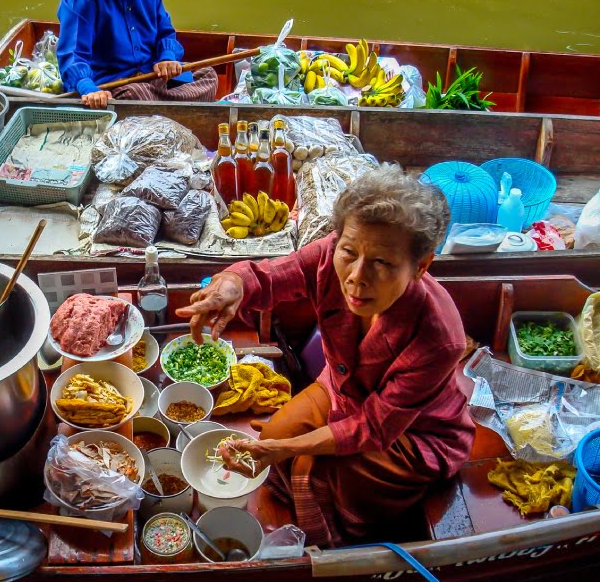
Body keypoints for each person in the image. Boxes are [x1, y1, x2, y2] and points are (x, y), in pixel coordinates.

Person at [175, 164, 475, 547]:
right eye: (349, 252)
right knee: (279, 436)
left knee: (321, 474)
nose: (356, 276)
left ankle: (338, 541)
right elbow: (269, 275)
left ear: (421, 266)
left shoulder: (438, 335)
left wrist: (283, 450)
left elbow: (374, 427)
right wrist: (231, 284)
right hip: (343, 388)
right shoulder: (334, 253)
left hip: (413, 431)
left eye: (382, 263)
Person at [56, 0, 218, 109]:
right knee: (137, 96)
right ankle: (173, 107)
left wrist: (167, 58)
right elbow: (72, 56)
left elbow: (165, 31)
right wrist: (89, 90)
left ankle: (158, 109)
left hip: (152, 76)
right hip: (114, 86)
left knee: (208, 75)